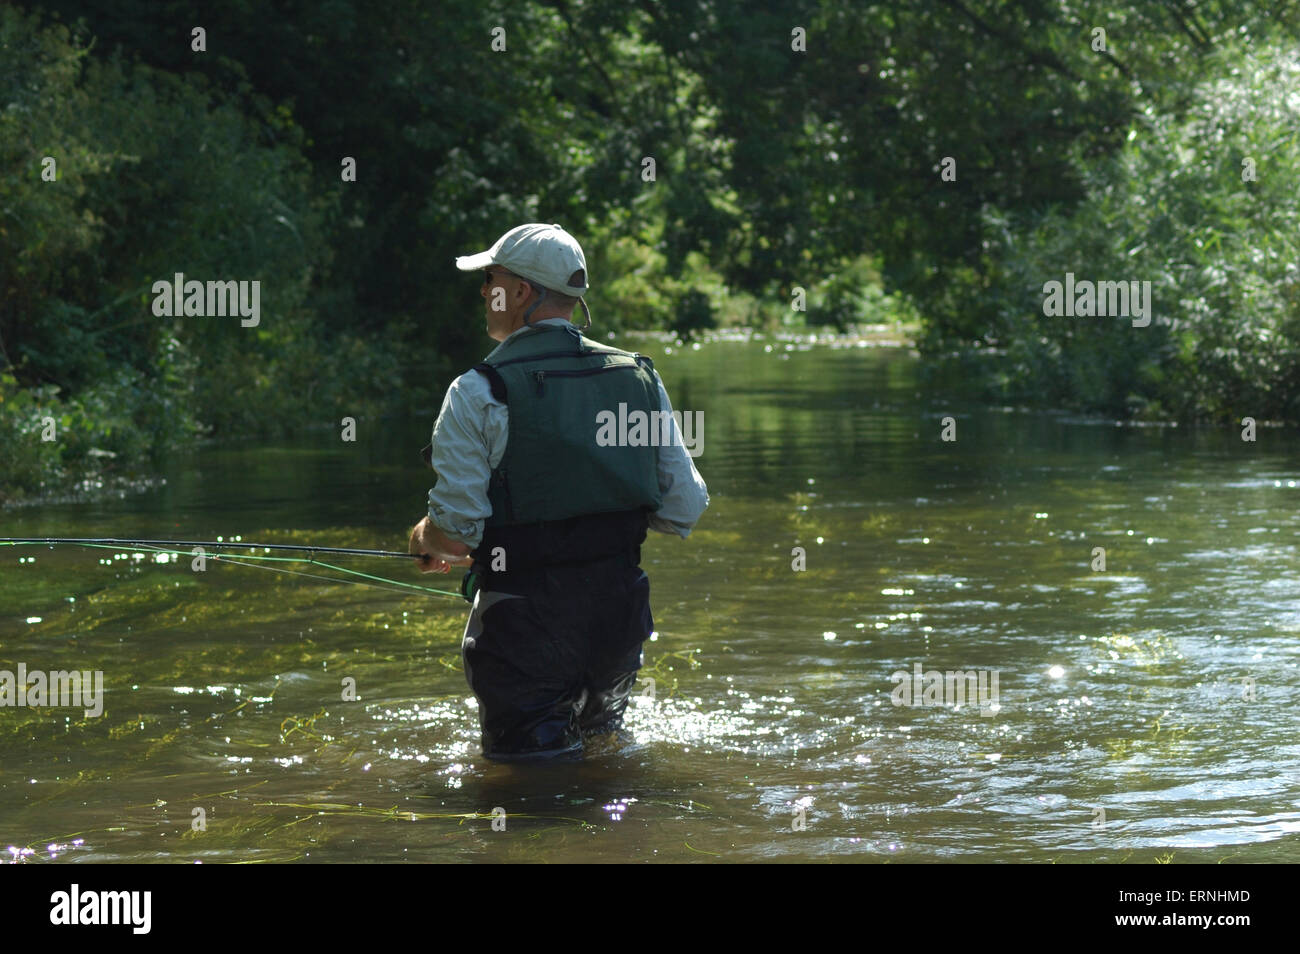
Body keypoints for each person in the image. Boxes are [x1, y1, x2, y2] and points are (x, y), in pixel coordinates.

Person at [408, 223, 709, 761]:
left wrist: (423, 539)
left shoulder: (478, 389)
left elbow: (455, 533)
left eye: (492, 279)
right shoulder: (640, 377)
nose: (484, 291)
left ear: (522, 292)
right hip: (618, 623)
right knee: (603, 764)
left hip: (525, 629)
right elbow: (685, 506)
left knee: (528, 791)